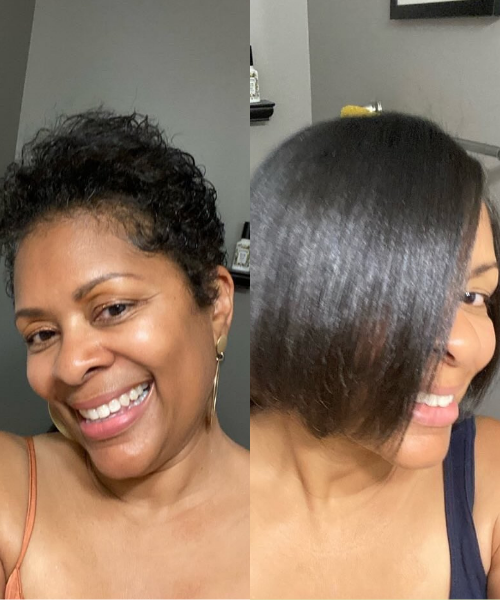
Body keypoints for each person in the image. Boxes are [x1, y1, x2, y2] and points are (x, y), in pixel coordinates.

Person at [250, 113, 500, 599]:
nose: (465, 345)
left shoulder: (487, 472)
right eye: (401, 297)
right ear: (293, 303)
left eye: (474, 297)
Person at [0, 110, 249, 599]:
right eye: (42, 334)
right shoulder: (10, 490)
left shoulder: (306, 528)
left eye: (113, 308)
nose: (70, 365)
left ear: (217, 306)